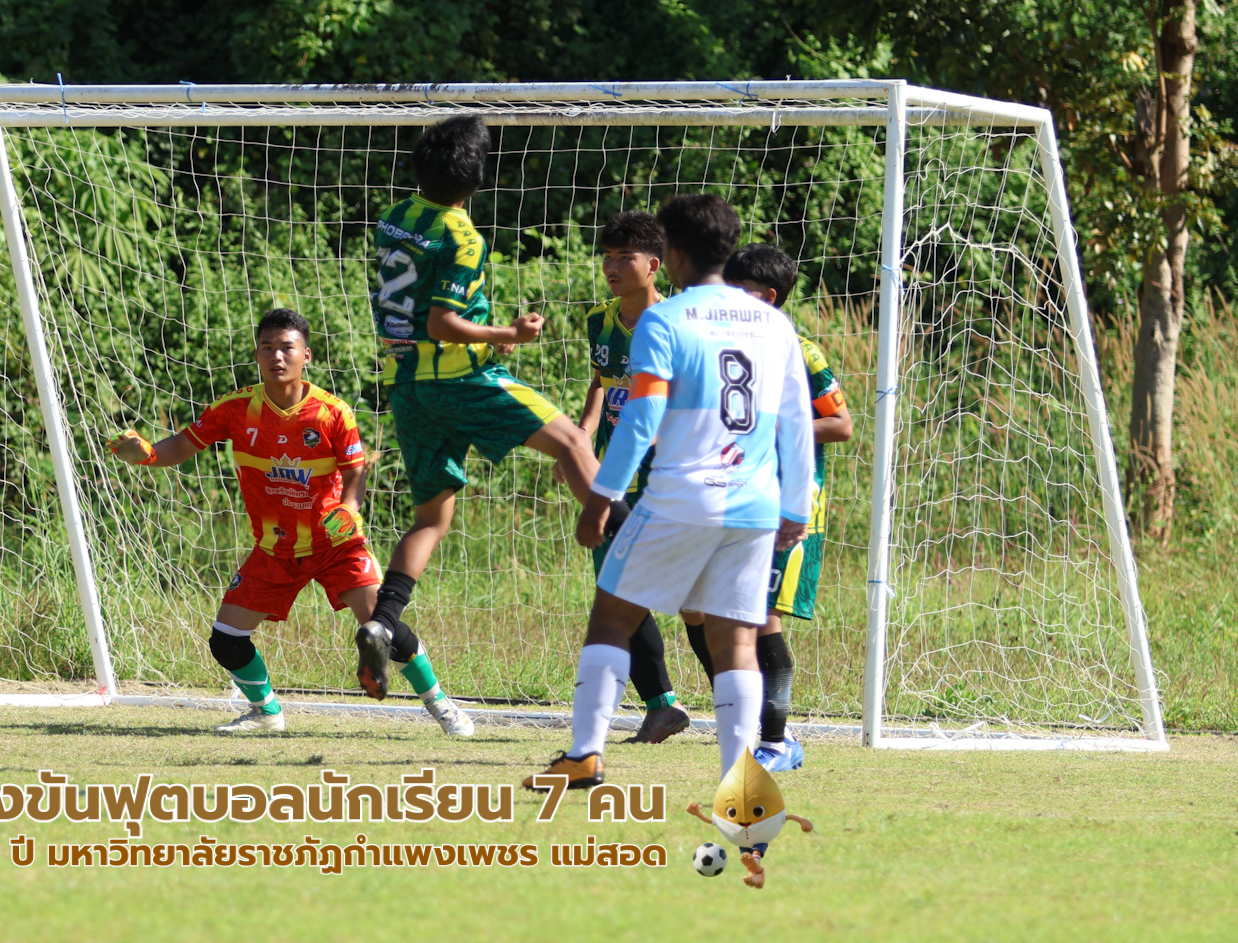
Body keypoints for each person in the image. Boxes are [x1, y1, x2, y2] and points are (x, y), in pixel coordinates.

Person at [527, 194, 814, 792]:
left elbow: (641, 418)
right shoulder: (774, 324)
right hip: (755, 503)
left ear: (673, 253)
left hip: (682, 495)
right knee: (735, 640)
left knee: (612, 616)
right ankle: (741, 783)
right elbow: (795, 421)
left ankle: (584, 755)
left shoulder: (666, 319)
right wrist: (796, 506)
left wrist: (601, 496)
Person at [108, 309, 474, 736]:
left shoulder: (332, 412)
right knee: (225, 639)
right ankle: (266, 712)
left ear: (306, 355)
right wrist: (148, 454)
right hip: (275, 550)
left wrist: (349, 508)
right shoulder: (234, 408)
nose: (276, 356)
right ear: (257, 355)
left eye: (286, 347)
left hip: (336, 544)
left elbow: (356, 473)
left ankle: (441, 705)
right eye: (267, 347)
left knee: (380, 630)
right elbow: (182, 446)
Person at [364, 114, 600, 702]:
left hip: (407, 386)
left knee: (430, 519)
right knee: (573, 441)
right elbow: (442, 322)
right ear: (477, 178)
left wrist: (484, 334)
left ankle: (382, 622)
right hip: (460, 380)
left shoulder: (395, 216)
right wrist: (508, 334)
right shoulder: (463, 235)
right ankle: (626, 543)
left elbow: (422, 307)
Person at [674, 243, 852, 772]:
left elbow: (840, 424)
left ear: (767, 297)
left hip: (785, 501)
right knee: (696, 605)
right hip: (730, 492)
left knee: (759, 614)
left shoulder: (800, 350)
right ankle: (747, 714)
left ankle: (777, 740)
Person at [579, 210, 689, 743]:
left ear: (654, 265)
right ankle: (662, 704)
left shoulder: (676, 323)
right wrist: (583, 433)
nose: (613, 266)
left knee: (691, 598)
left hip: (667, 476)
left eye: (626, 257)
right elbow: (601, 382)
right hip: (613, 475)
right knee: (616, 585)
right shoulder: (599, 320)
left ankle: (753, 709)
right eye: (608, 256)